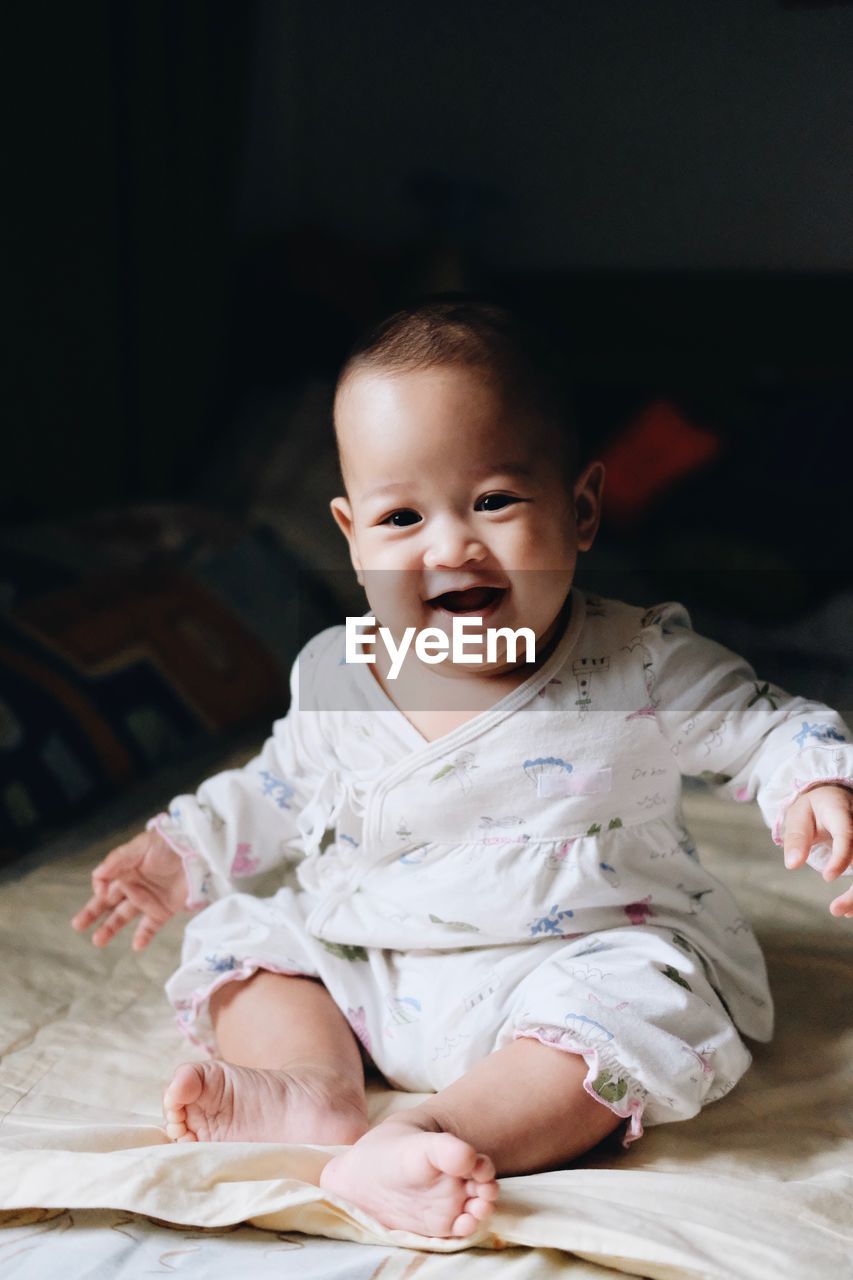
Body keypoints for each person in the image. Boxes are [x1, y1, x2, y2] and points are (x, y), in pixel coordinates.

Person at [71, 296, 853, 1239]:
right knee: (255, 957)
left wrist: (811, 782)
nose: (450, 545)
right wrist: (179, 849)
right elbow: (276, 786)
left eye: (494, 500)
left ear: (581, 509)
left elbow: (767, 727)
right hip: (375, 959)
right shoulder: (338, 668)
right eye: (401, 516)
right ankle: (310, 1088)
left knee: (648, 1006)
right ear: (352, 538)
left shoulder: (638, 665)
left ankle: (442, 1133)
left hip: (567, 966)